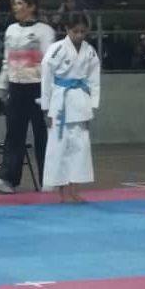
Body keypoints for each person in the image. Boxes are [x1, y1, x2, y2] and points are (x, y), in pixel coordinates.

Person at [0, 0, 56, 194]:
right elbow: (7, 60)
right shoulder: (11, 30)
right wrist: (3, 85)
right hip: (16, 88)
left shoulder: (45, 31)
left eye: (20, 3)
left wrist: (49, 92)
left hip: (38, 87)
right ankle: (7, 179)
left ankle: (49, 178)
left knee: (42, 134)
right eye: (14, 4)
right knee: (14, 134)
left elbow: (49, 63)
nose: (15, 7)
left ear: (31, 6)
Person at [41, 15, 100, 203]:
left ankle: (75, 190)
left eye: (83, 32)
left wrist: (92, 105)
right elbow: (46, 78)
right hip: (60, 102)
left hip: (80, 101)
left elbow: (94, 80)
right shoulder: (57, 49)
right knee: (60, 149)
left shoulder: (89, 51)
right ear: (67, 29)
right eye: (76, 31)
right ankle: (63, 192)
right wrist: (46, 107)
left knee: (80, 148)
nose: (80, 35)